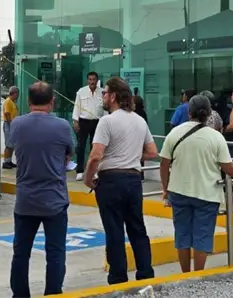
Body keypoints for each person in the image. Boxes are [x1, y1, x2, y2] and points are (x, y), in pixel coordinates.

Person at [159, 95, 233, 273]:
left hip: (179, 191)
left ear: (189, 112)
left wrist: (166, 188)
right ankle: (198, 275)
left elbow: (164, 164)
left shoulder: (174, 133)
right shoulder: (216, 137)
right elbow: (229, 168)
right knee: (202, 236)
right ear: (208, 114)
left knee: (182, 235)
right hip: (207, 194)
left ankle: (185, 274)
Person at [83, 77, 158, 285]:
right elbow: (153, 151)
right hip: (133, 179)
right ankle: (145, 273)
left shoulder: (106, 121)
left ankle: (118, 277)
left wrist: (88, 179)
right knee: (137, 228)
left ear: (113, 96)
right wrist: (131, 155)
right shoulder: (139, 121)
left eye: (105, 93)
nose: (103, 97)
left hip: (111, 179)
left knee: (114, 230)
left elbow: (95, 156)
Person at [9, 81, 74, 298]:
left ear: (28, 101)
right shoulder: (62, 126)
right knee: (55, 253)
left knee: (21, 253)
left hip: (25, 200)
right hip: (55, 199)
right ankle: (53, 293)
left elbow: (12, 148)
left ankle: (20, 294)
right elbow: (68, 154)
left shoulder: (17, 124)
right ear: (52, 102)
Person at [73, 71, 105, 181]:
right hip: (83, 121)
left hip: (97, 122)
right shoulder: (81, 91)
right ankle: (80, 171)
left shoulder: (102, 92)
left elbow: (105, 109)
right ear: (87, 80)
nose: (92, 82)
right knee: (81, 147)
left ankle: (94, 171)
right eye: (90, 79)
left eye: (94, 80)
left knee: (95, 148)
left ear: (97, 80)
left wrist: (105, 122)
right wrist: (75, 121)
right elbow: (77, 106)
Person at [2, 86, 19, 169]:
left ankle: (9, 161)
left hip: (11, 124)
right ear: (15, 93)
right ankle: (6, 162)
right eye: (18, 94)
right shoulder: (8, 101)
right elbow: (7, 114)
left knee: (11, 144)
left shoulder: (12, 102)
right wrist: (11, 124)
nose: (18, 96)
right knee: (8, 144)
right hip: (9, 124)